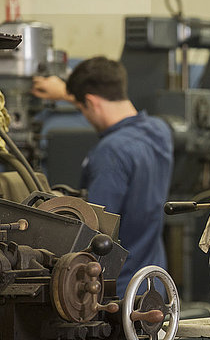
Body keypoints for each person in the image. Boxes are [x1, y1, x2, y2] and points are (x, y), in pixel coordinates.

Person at [31, 57, 174, 297]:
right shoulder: (160, 132)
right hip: (152, 283)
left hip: (114, 290)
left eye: (81, 108)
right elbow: (99, 100)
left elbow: (92, 229)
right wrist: (70, 95)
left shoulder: (110, 152)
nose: (84, 116)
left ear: (91, 102)